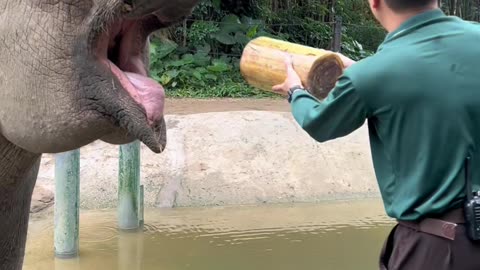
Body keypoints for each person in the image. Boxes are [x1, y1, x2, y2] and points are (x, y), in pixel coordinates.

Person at [272, 0, 480, 269]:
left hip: (437, 248)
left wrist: (295, 91)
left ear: (375, 2)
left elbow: (319, 123)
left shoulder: (370, 75)